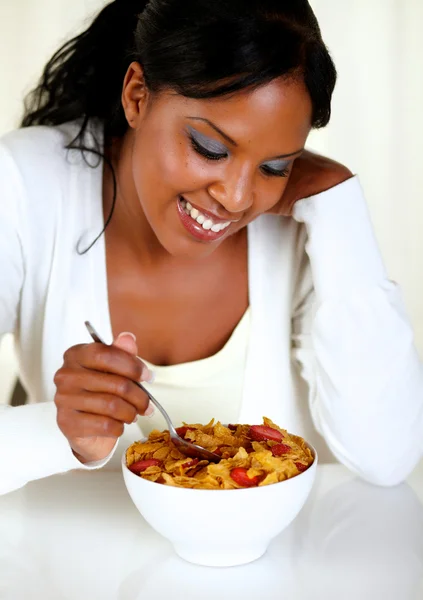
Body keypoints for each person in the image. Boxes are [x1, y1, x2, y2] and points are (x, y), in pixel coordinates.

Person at [0, 0, 422, 496]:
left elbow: (388, 456)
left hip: (279, 570)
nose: (238, 198)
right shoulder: (23, 185)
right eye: (210, 148)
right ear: (137, 95)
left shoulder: (303, 228)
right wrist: (65, 435)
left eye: (275, 167)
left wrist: (340, 207)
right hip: (67, 570)